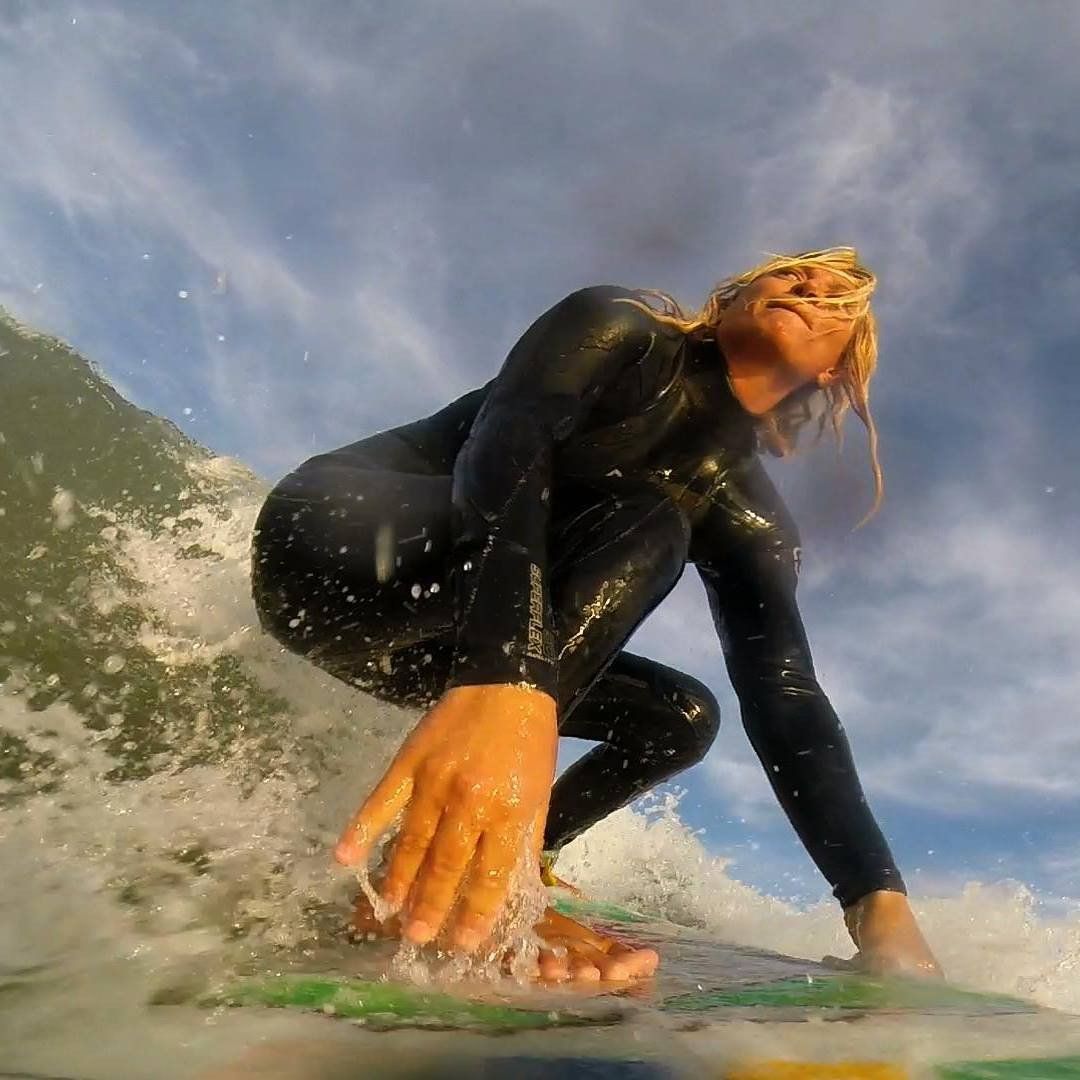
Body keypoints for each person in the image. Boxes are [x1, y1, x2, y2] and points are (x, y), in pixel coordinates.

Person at [250, 246, 942, 983]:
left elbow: (785, 692)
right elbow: (506, 446)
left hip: (408, 643)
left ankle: (510, 852)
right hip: (325, 540)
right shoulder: (621, 329)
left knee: (680, 719)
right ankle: (483, 870)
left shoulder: (750, 516)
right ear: (737, 296)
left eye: (837, 300)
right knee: (650, 518)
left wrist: (877, 902)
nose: (807, 285)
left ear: (836, 369)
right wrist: (507, 672)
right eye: (794, 273)